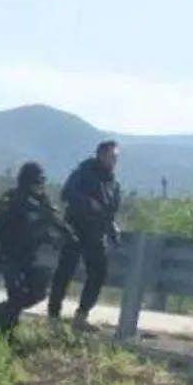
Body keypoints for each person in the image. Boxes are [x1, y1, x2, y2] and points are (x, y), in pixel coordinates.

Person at [46, 140, 123, 330]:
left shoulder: (112, 183)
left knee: (98, 273)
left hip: (96, 234)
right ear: (101, 155)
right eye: (111, 156)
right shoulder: (83, 173)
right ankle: (53, 316)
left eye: (116, 158)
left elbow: (109, 212)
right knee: (65, 272)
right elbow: (66, 194)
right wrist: (88, 202)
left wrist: (112, 230)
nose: (114, 161)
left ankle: (81, 316)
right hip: (75, 229)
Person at [0, 162, 73, 335]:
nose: (40, 185)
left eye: (42, 181)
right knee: (16, 295)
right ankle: (4, 334)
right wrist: (26, 210)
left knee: (37, 293)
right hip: (10, 256)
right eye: (37, 181)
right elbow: (0, 226)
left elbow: (54, 221)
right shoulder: (11, 198)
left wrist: (64, 236)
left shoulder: (42, 201)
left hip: (29, 256)